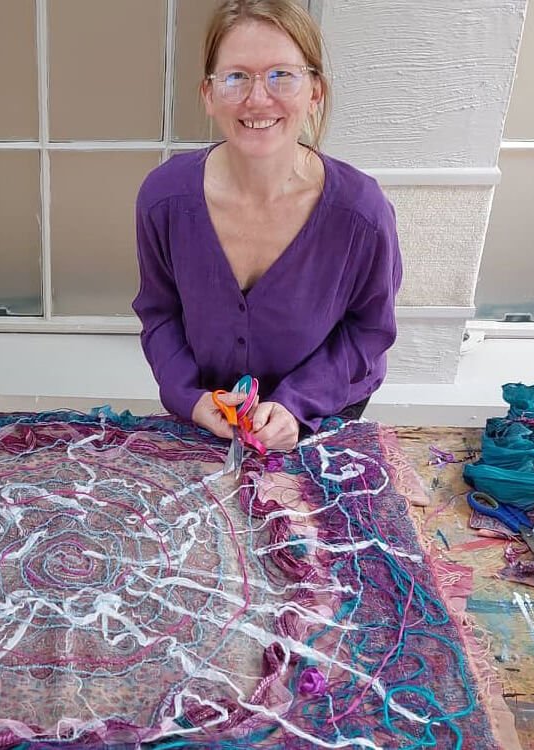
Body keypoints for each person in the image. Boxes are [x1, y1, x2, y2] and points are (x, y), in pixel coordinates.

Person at [133, 0, 402, 452]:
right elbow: (159, 313)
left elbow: (369, 331)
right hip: (213, 410)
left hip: (325, 409)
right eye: (236, 76)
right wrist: (190, 397)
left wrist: (297, 404)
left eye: (282, 74)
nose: (258, 98)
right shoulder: (164, 200)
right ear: (208, 93)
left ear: (314, 90)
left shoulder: (362, 213)